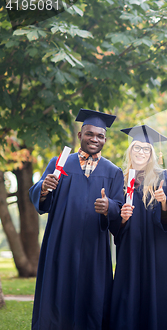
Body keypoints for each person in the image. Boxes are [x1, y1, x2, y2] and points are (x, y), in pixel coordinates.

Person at [29, 109, 124, 330]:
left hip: (95, 247)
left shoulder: (113, 171)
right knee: (58, 291)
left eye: (100, 136)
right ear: (80, 134)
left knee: (91, 296)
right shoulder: (59, 164)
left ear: (105, 139)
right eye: (90, 134)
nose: (95, 139)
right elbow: (40, 196)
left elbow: (119, 209)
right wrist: (43, 189)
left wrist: (108, 206)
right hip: (61, 242)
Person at [110, 125, 167, 330]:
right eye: (137, 148)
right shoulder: (120, 178)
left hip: (158, 246)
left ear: (152, 154)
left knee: (157, 290)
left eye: (146, 149)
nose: (141, 152)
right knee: (128, 290)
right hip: (130, 246)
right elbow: (114, 223)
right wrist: (122, 218)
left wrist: (164, 202)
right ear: (130, 150)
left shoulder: (163, 177)